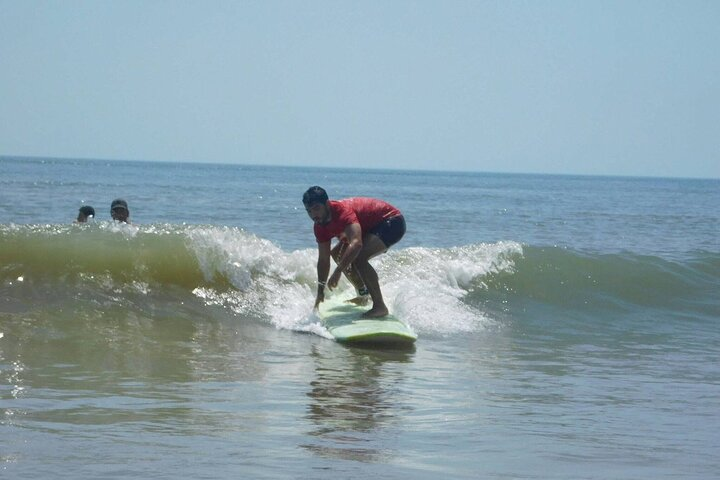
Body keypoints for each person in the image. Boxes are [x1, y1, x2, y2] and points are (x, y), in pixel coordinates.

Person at [303, 186, 406, 318]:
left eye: (316, 208)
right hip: (368, 227)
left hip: (391, 222)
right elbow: (323, 260)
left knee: (359, 258)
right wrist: (320, 291)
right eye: (309, 211)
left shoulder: (342, 212)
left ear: (327, 204)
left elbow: (356, 243)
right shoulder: (319, 226)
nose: (313, 215)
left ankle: (380, 306)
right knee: (337, 254)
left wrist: (338, 271)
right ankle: (363, 295)